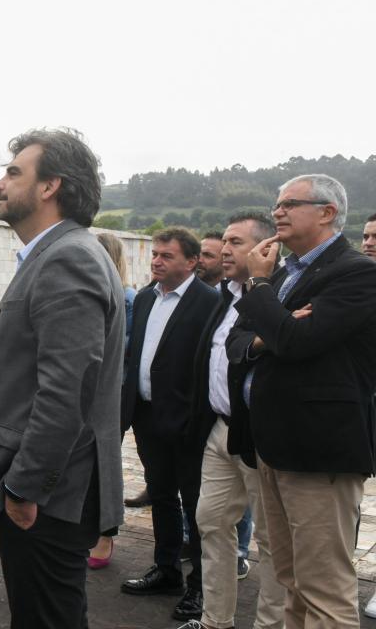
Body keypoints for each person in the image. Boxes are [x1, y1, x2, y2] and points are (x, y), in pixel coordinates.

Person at [0, 128, 125, 629]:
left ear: (51, 186)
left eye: (14, 173)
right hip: (52, 492)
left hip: (49, 497)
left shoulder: (68, 257)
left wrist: (24, 487)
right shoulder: (56, 253)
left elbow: (67, 391)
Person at [231, 174, 376, 628]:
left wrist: (259, 288)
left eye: (290, 204)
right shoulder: (286, 273)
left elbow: (295, 342)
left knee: (324, 588)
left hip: (317, 452)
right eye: (277, 204)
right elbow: (237, 343)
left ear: (327, 212)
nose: (277, 212)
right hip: (273, 446)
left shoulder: (356, 272)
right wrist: (271, 329)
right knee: (291, 578)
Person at [181, 211, 285, 629]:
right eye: (224, 241)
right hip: (220, 429)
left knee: (271, 540)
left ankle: (269, 624)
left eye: (236, 242)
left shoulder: (280, 293)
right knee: (211, 522)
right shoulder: (224, 294)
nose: (224, 250)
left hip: (260, 436)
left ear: (266, 248)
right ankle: (215, 620)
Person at [119, 227, 219, 621]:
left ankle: (200, 587)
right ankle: (166, 570)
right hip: (147, 415)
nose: (156, 261)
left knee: (195, 505)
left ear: (191, 261)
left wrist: (194, 417)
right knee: (161, 496)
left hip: (187, 422)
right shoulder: (146, 297)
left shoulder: (209, 302)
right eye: (155, 254)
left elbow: (209, 366)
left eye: (166, 255)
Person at [88, 231, 136, 570]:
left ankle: (105, 533)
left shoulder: (127, 297)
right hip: (85, 393)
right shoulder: (92, 292)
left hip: (111, 393)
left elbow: (124, 347)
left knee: (104, 464)